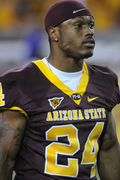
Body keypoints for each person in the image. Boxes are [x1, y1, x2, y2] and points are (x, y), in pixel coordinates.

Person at [0, 0, 120, 179]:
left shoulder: (105, 80)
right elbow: (5, 159)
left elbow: (108, 148)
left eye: (91, 25)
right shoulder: (22, 82)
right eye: (78, 25)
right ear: (54, 33)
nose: (89, 31)